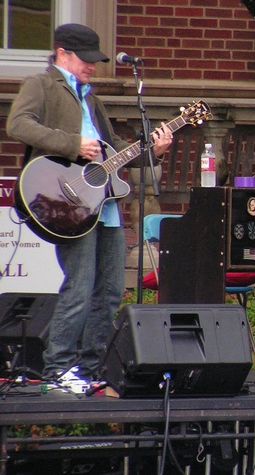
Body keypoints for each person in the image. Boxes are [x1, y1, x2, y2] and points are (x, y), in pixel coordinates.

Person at [7, 23, 173, 384]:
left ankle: (90, 367)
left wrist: (154, 151)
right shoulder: (41, 85)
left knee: (110, 292)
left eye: (95, 60)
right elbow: (18, 124)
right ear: (62, 53)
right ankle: (58, 367)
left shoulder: (92, 100)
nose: (92, 66)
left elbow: (115, 151)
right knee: (79, 288)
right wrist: (72, 144)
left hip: (104, 206)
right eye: (85, 59)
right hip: (68, 203)